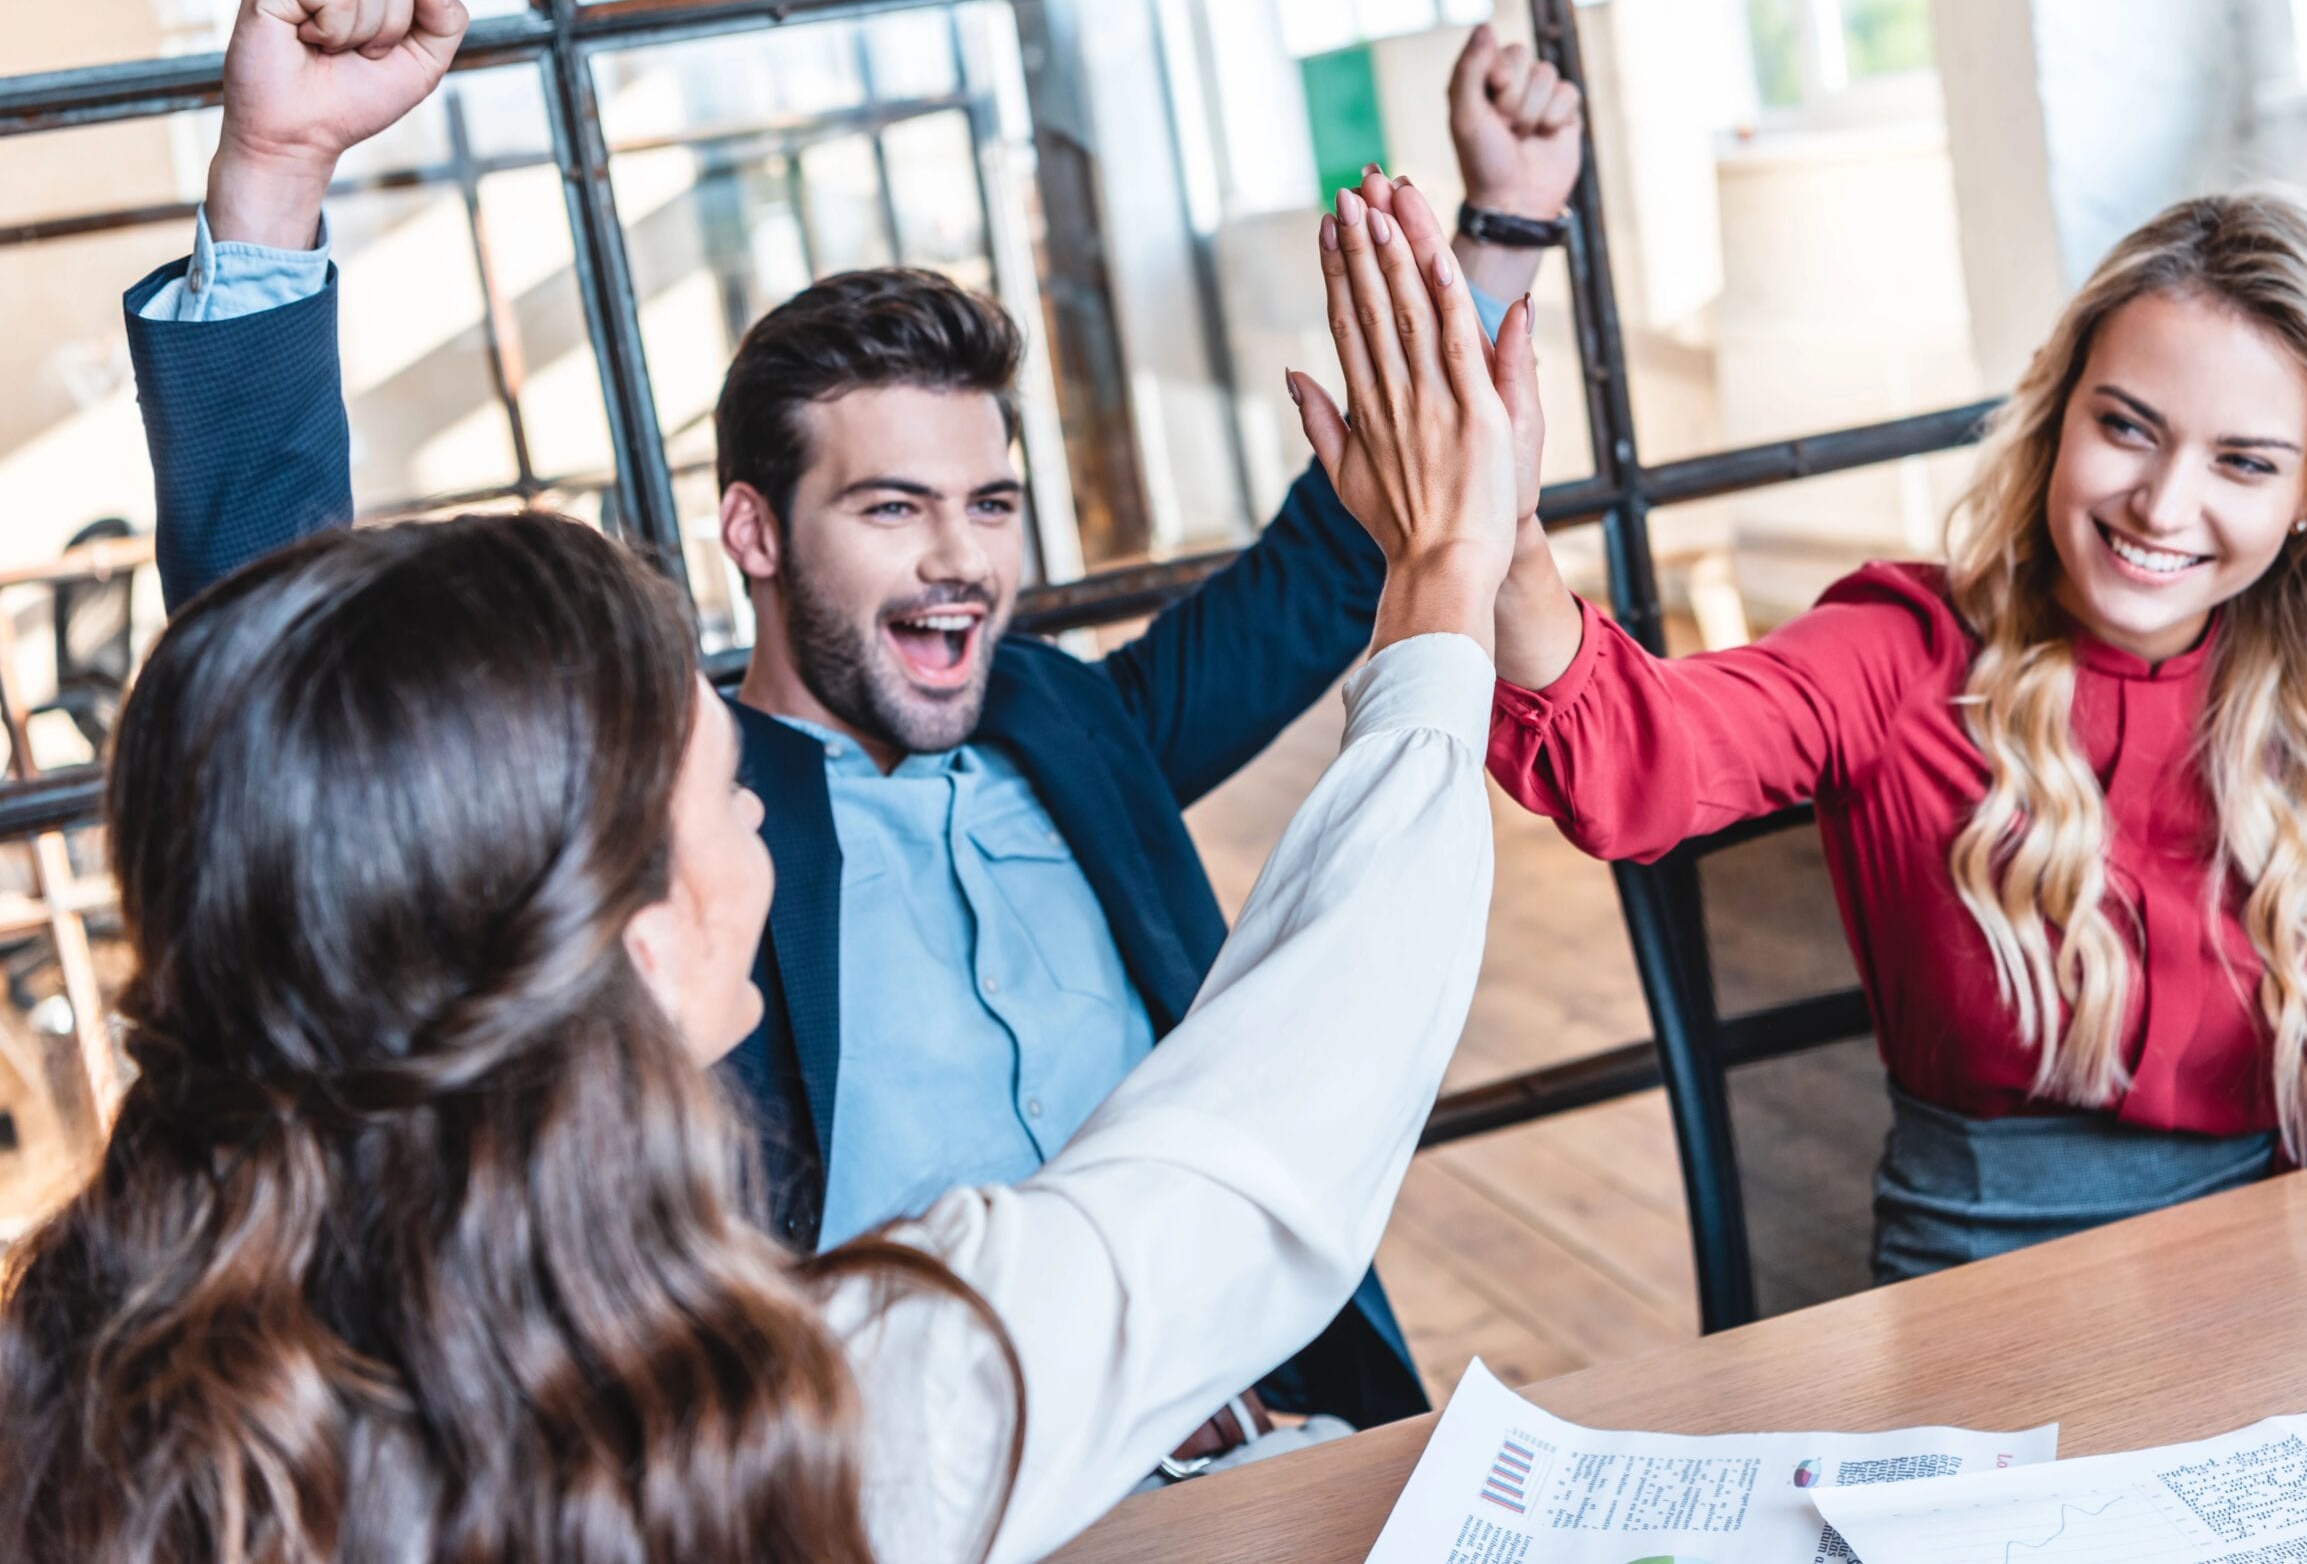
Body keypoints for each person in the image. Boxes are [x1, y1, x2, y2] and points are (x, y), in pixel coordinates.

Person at [0, 87, 1524, 1564]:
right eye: (889, 508)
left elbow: (1332, 562)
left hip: (1274, 1442)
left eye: (991, 504)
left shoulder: (1073, 721)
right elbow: (317, 759)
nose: (958, 559)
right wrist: (268, 187)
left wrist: (1497, 255)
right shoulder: (646, 838)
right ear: (756, 533)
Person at [1326, 182, 2307, 1282]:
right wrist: (1504, 541)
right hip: (1985, 1308)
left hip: (2284, 1283)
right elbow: (1638, 757)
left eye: (2243, 462)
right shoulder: (1901, 649)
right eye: (2126, 428)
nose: (2164, 505)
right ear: (2057, 406)